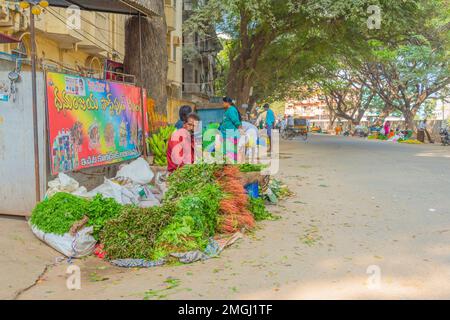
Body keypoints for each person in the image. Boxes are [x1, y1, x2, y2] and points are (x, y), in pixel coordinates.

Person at [220, 97, 242, 163]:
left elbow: (236, 121)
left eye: (223, 102)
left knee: (231, 151)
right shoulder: (227, 110)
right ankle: (229, 166)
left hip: (231, 133)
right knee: (226, 151)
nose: (222, 104)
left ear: (227, 103)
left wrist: (240, 129)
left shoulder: (231, 110)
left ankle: (233, 166)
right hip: (226, 133)